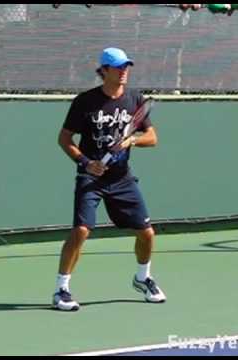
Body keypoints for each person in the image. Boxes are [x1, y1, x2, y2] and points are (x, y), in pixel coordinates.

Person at [53, 47, 167, 311]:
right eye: (118, 67)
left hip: (122, 179)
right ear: (103, 71)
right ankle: (61, 289)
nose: (123, 71)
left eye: (126, 66)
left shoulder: (135, 100)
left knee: (147, 233)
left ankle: (143, 278)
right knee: (81, 230)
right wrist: (86, 163)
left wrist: (132, 139)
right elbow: (64, 139)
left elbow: (152, 138)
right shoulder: (85, 102)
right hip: (90, 178)